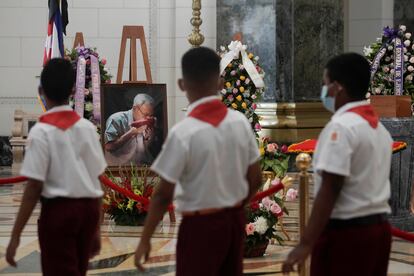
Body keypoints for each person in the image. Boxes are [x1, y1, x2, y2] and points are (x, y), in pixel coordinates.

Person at [134, 47, 262, 275]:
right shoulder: (239, 123)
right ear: (221, 83)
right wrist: (235, 206)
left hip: (199, 228)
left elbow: (164, 194)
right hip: (233, 221)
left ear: (182, 85)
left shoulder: (183, 132)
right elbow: (256, 178)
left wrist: (145, 239)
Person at [282, 53, 393, 276]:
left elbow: (331, 188)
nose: (324, 92)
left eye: (325, 84)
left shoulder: (342, 128)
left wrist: (305, 243)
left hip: (346, 235)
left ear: (337, 87)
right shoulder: (378, 129)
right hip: (378, 230)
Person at [5, 58, 107, 276]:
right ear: (72, 90)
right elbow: (98, 180)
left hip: (59, 213)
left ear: (41, 90)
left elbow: (33, 188)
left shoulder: (41, 132)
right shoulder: (88, 128)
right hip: (88, 211)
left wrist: (16, 235)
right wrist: (97, 227)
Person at [104, 93, 158, 166]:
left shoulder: (148, 121)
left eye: (150, 115)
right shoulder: (116, 119)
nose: (148, 118)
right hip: (116, 170)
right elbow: (109, 147)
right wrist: (130, 134)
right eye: (145, 114)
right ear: (135, 108)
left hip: (138, 170)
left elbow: (141, 152)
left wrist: (148, 140)